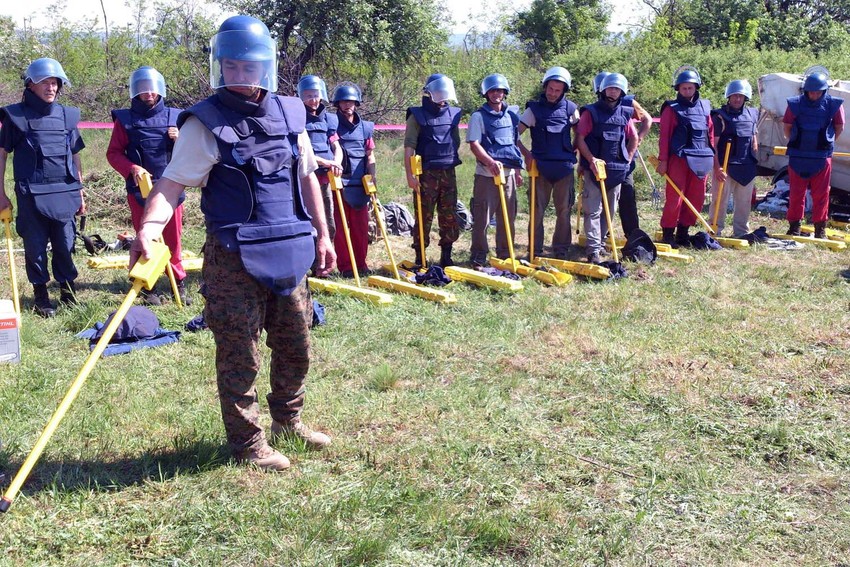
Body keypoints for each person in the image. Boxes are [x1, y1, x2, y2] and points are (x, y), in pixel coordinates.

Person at [130, 15, 335, 472]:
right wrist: (149, 228)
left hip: (290, 248)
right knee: (239, 352)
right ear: (219, 67)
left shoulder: (290, 112)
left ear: (266, 66)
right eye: (232, 67)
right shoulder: (204, 123)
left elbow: (307, 179)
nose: (242, 76)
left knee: (296, 343)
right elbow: (171, 184)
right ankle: (248, 444)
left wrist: (322, 234)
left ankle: (288, 420)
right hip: (233, 256)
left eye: (250, 67)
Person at [0, 58, 85, 317]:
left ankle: (68, 292)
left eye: (55, 82)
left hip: (65, 192)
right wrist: (0, 193)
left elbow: (75, 155)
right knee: (35, 247)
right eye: (45, 82)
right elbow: (2, 155)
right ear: (30, 85)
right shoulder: (15, 117)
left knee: (65, 243)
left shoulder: (67, 116)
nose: (51, 87)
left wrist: (80, 192)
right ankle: (41, 298)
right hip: (30, 193)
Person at [107, 66, 188, 305]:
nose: (149, 94)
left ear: (160, 90)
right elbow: (113, 153)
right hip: (139, 189)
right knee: (145, 236)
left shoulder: (177, 117)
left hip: (171, 189)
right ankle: (147, 286)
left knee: (173, 238)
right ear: (135, 92)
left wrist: (181, 140)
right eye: (143, 90)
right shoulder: (125, 119)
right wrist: (131, 168)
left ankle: (178, 282)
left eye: (152, 89)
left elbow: (195, 153)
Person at [575, 73, 638, 263]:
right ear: (602, 90)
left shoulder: (625, 113)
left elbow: (634, 137)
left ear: (622, 92)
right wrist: (591, 160)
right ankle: (593, 250)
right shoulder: (590, 112)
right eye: (610, 88)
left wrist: (627, 159)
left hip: (616, 170)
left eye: (617, 89)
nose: (613, 92)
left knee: (609, 211)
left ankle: (601, 244)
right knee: (593, 209)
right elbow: (579, 139)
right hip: (594, 169)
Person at [517, 66, 579, 259]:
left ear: (563, 91)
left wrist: (574, 150)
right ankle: (534, 251)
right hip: (540, 169)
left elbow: (581, 135)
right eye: (550, 89)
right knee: (537, 212)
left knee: (564, 211)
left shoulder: (571, 109)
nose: (553, 93)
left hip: (564, 169)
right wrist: (527, 155)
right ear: (545, 87)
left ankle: (560, 250)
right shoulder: (532, 110)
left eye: (557, 90)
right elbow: (513, 135)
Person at [403, 73, 462, 267]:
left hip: (448, 172)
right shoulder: (416, 115)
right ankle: (420, 257)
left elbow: (455, 141)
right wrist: (410, 175)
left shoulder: (453, 113)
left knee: (449, 215)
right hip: (425, 174)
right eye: (438, 92)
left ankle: (446, 255)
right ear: (429, 93)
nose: (442, 96)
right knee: (423, 216)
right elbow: (409, 146)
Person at [467, 73, 524, 266]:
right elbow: (474, 144)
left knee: (508, 217)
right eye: (492, 91)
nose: (496, 94)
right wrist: (490, 162)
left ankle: (505, 254)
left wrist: (517, 170)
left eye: (499, 90)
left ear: (505, 92)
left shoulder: (511, 116)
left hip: (508, 175)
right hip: (486, 176)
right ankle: (478, 255)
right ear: (486, 93)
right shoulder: (478, 116)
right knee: (482, 218)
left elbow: (514, 144)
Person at [656, 66, 716, 248]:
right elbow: (665, 136)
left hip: (701, 158)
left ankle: (683, 233)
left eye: (690, 87)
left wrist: (712, 158)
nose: (687, 91)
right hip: (678, 159)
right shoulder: (671, 109)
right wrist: (663, 160)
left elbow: (710, 134)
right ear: (678, 89)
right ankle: (668, 233)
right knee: (675, 198)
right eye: (684, 88)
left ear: (696, 87)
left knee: (696, 197)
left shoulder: (705, 107)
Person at [783, 70, 845, 238]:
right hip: (798, 155)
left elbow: (839, 126)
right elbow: (787, 126)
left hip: (821, 157)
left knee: (821, 195)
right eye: (811, 91)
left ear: (824, 91)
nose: (814, 94)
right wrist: (797, 142)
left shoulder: (834, 104)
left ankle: (820, 229)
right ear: (805, 91)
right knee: (796, 193)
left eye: (818, 92)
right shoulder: (794, 103)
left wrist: (827, 143)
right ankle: (794, 227)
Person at [591, 72, 653, 238]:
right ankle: (600, 237)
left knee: (627, 196)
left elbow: (647, 119)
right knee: (600, 200)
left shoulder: (628, 101)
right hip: (602, 159)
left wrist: (638, 139)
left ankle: (633, 235)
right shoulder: (596, 106)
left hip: (623, 158)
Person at [330, 83, 376, 277]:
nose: (347, 105)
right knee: (340, 228)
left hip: (361, 184)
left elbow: (370, 155)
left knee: (361, 227)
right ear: (338, 104)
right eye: (344, 101)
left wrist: (373, 178)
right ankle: (346, 267)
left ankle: (361, 264)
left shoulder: (365, 128)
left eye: (351, 101)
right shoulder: (331, 123)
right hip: (340, 183)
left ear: (356, 103)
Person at [711, 79, 760, 237]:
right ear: (728, 97)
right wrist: (717, 168)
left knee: (744, 204)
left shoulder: (753, 114)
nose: (737, 99)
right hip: (725, 168)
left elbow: (754, 140)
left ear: (745, 97)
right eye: (734, 96)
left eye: (740, 96)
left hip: (746, 167)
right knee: (720, 202)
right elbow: (713, 145)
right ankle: (715, 231)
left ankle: (741, 232)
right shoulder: (719, 117)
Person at [298, 74, 341, 247]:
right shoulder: (297, 118)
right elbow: (301, 151)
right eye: (308, 96)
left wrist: (336, 162)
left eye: (315, 95)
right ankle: (310, 260)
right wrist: (325, 162)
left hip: (325, 178)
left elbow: (336, 145)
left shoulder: (329, 119)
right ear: (302, 96)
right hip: (306, 177)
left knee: (328, 218)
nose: (313, 100)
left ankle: (326, 262)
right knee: (308, 218)